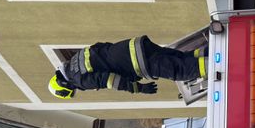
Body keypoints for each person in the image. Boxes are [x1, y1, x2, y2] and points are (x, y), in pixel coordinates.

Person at [47, 35, 208, 99]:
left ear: (65, 86)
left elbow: (110, 80)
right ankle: (210, 52)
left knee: (180, 71)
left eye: (72, 90)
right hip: (136, 45)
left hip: (138, 62)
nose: (77, 89)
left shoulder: (79, 79)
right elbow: (102, 46)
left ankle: (218, 64)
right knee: (180, 57)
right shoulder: (77, 58)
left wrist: (138, 88)